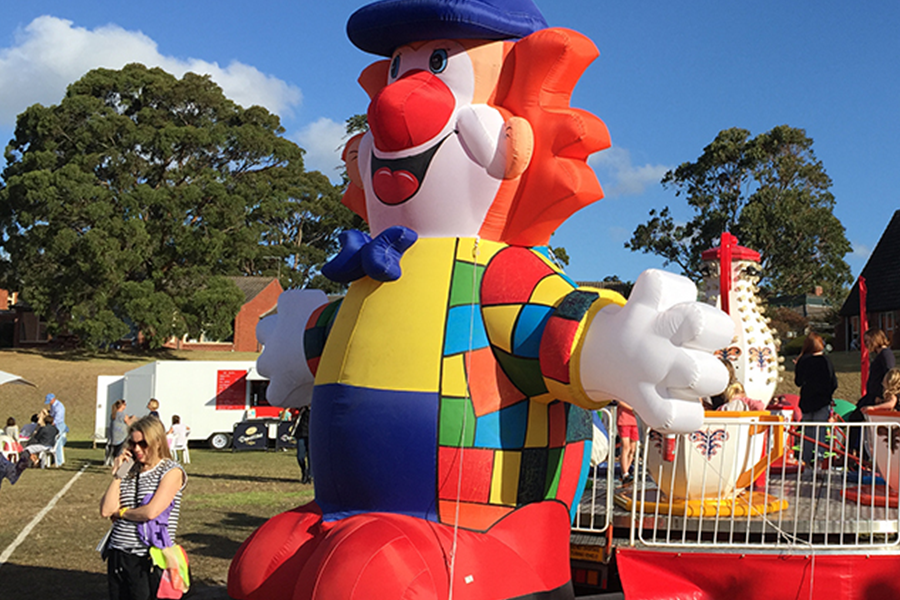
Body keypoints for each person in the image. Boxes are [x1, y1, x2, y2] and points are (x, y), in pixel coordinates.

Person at [100, 416, 187, 599]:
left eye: (143, 443)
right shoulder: (129, 471)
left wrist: (122, 512)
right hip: (118, 552)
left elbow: (151, 512)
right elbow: (106, 510)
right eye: (132, 443)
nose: (137, 449)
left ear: (157, 442)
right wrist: (118, 476)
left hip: (148, 557)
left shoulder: (171, 471)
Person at [847, 329, 896, 454]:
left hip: (877, 396)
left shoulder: (886, 355)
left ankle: (853, 450)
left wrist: (883, 396)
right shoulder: (881, 355)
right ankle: (854, 450)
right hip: (872, 395)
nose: (866, 344)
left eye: (868, 341)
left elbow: (890, 375)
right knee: (856, 419)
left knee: (856, 419)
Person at [793, 332, 838, 466]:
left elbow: (798, 382)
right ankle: (818, 461)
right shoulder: (825, 361)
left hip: (807, 400)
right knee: (820, 432)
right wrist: (828, 395)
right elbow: (833, 383)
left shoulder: (802, 361)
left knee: (808, 433)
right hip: (822, 400)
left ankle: (806, 461)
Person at [616, 401, 639, 486]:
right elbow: (619, 401)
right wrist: (632, 408)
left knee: (632, 449)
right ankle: (625, 473)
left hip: (634, 421)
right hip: (624, 420)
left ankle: (625, 471)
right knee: (626, 446)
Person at [44, 393, 67, 466]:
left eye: (49, 401)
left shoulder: (59, 407)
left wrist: (51, 422)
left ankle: (59, 461)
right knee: (57, 443)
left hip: (59, 425)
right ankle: (58, 460)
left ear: (53, 399)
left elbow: (58, 418)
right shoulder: (53, 406)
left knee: (57, 442)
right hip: (55, 424)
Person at [292, 405, 312, 484]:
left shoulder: (317, 410)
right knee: (300, 456)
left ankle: (309, 476)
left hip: (312, 435)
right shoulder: (302, 409)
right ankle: (304, 470)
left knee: (311, 457)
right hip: (301, 434)